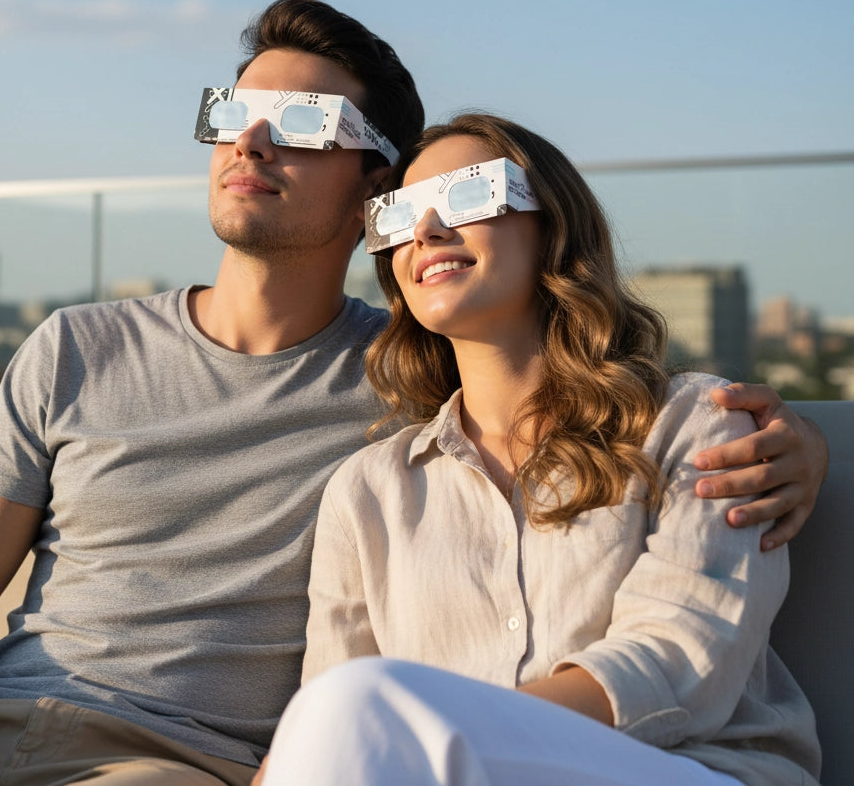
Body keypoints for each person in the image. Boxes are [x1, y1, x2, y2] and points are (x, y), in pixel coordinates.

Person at [0, 0, 825, 786]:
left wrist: (799, 442)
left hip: (170, 761)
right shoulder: (84, 353)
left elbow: (591, 438)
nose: (250, 142)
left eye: (303, 125)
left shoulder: (415, 388)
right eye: (232, 112)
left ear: (367, 194)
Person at [257, 114, 821, 786]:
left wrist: (440, 736)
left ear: (552, 225)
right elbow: (334, 722)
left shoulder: (699, 423)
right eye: (399, 215)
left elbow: (681, 661)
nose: (427, 229)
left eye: (469, 194)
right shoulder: (368, 490)